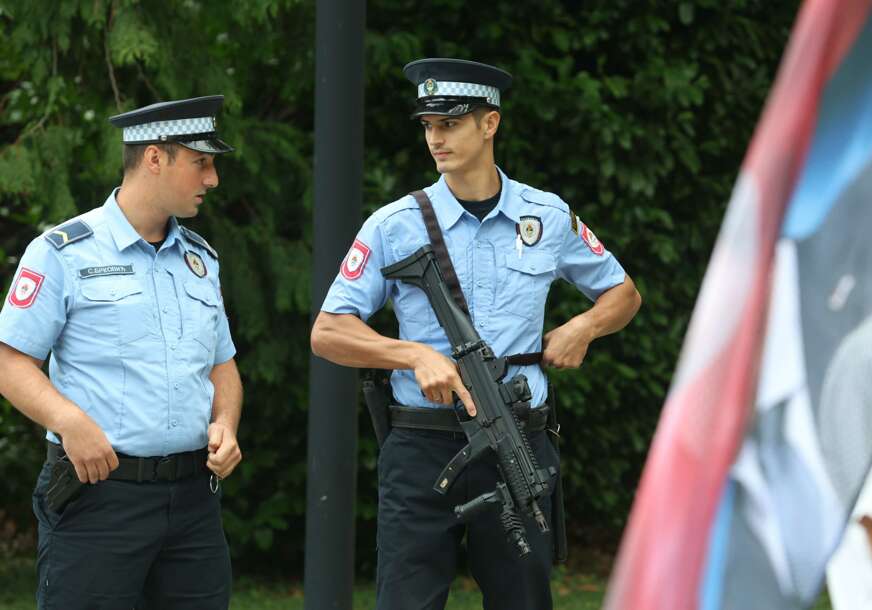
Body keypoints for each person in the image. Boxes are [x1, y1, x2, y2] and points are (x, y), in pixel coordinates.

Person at [310, 58, 641, 610]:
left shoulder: (546, 215)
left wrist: (583, 326)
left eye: (450, 124)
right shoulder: (394, 224)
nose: (435, 139)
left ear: (490, 124)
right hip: (422, 447)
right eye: (428, 126)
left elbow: (623, 293)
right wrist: (411, 354)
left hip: (518, 438)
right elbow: (327, 331)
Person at [0, 95, 243, 609]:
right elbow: (9, 361)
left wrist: (226, 421)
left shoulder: (200, 259)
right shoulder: (63, 252)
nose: (212, 179)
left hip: (194, 501)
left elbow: (222, 363)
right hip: (99, 499)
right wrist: (70, 422)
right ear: (155, 158)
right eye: (201, 162)